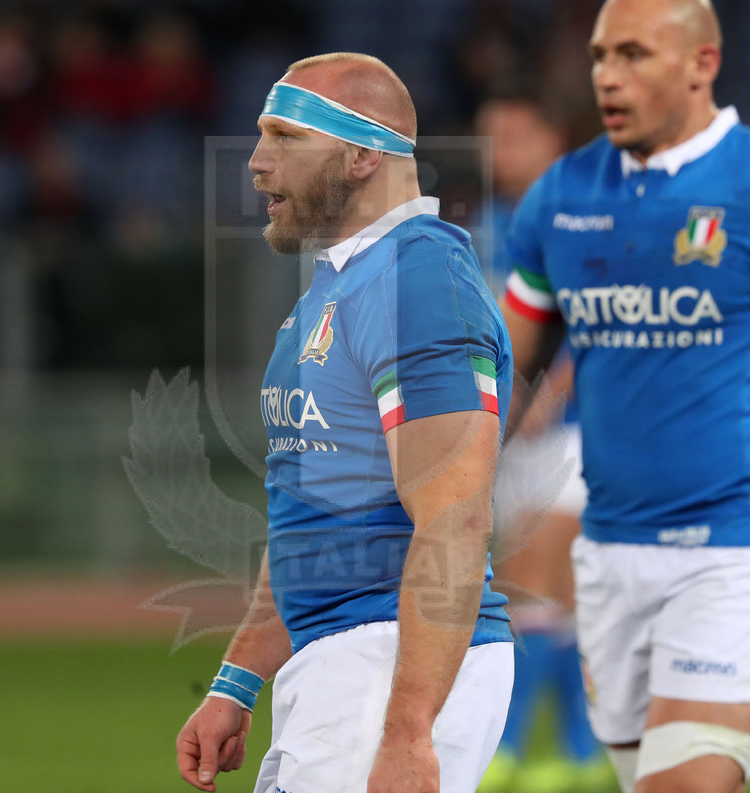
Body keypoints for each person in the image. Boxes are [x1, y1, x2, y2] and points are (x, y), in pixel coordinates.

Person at [176, 52, 515, 793]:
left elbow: (455, 517)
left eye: (285, 137)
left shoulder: (418, 278)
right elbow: (308, 506)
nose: (258, 163)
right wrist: (237, 679)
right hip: (343, 660)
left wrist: (409, 732)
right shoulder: (338, 286)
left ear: (363, 155)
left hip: (385, 660)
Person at [499, 1, 750, 792]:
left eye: (636, 53)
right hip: (609, 554)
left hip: (725, 549)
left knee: (687, 780)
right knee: (656, 775)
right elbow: (506, 359)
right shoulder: (560, 198)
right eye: (603, 54)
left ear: (702, 64)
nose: (609, 72)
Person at [472, 93, 610, 793]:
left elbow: (603, 320)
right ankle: (562, 752)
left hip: (581, 426)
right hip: (513, 434)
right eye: (492, 138)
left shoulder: (584, 212)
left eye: (519, 135)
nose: (505, 153)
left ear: (554, 137)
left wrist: (549, 396)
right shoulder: (489, 224)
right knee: (534, 590)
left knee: (553, 575)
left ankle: (549, 749)